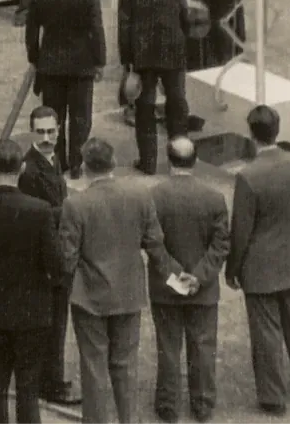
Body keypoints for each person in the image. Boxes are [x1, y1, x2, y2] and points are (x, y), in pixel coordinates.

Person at [60, 136, 181, 424]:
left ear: (86, 167)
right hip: (128, 293)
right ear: (114, 163)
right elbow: (155, 245)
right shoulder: (140, 196)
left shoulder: (75, 205)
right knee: (126, 365)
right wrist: (177, 279)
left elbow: (67, 257)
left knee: (93, 368)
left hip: (89, 297)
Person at [226, 105, 290, 416]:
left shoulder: (248, 176)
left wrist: (233, 267)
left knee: (266, 331)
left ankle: (272, 396)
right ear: (278, 129)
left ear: (251, 134)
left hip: (259, 263)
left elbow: (241, 230)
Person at [0, 138, 59, 424]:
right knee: (28, 390)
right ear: (23, 167)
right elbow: (53, 263)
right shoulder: (40, 211)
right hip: (32, 313)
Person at [149, 137, 229, 424]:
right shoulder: (214, 198)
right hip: (203, 288)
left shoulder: (154, 197)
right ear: (195, 161)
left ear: (168, 160)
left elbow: (153, 244)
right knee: (203, 346)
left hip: (165, 287)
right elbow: (220, 245)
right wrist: (198, 276)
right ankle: (203, 403)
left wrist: (175, 274)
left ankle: (169, 405)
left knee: (168, 347)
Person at [26, 0, 105, 176]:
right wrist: (99, 62)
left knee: (54, 115)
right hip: (81, 65)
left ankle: (57, 161)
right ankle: (77, 162)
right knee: (81, 118)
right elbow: (96, 31)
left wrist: (35, 58)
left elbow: (31, 33)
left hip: (51, 64)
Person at [17, 107, 76, 407]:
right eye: (40, 132)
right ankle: (50, 382)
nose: (47, 137)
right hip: (46, 260)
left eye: (51, 131)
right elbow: (35, 215)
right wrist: (69, 210)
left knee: (56, 322)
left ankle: (50, 378)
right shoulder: (30, 171)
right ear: (31, 132)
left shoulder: (51, 160)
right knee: (53, 324)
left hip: (54, 252)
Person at [117, 0, 191, 175]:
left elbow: (124, 26)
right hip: (173, 53)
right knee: (177, 103)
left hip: (144, 55)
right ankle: (179, 157)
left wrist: (127, 61)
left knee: (145, 107)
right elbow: (186, 22)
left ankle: (148, 162)